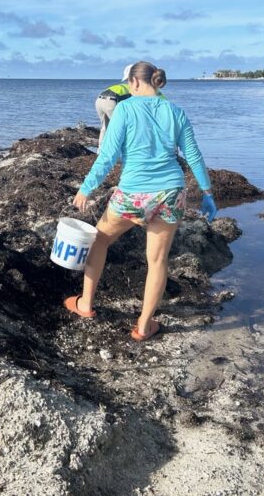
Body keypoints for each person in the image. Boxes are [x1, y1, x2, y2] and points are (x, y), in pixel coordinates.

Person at [65, 61, 217, 341]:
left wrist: (86, 189)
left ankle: (85, 304)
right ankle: (144, 326)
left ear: (134, 82)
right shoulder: (175, 111)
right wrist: (207, 194)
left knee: (99, 240)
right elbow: (194, 156)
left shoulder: (124, 108)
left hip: (133, 194)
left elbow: (108, 156)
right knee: (157, 260)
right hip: (171, 192)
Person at [95, 63, 163, 148]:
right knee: (121, 128)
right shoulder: (140, 89)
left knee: (105, 127)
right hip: (112, 100)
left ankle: (100, 151)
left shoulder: (122, 87)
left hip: (99, 100)